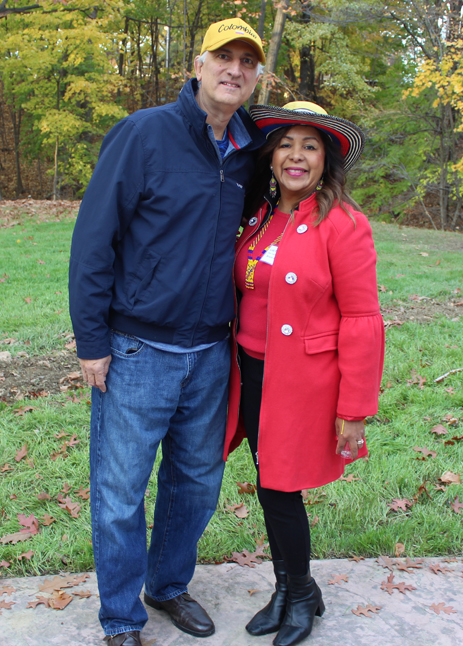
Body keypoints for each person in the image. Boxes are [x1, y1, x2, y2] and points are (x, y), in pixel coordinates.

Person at [68, 19, 266, 646]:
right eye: (222, 57)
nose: (234, 69)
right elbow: (94, 242)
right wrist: (92, 344)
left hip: (210, 349)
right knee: (120, 491)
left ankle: (168, 585)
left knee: (196, 482)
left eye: (247, 61)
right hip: (137, 348)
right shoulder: (143, 134)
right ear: (198, 63)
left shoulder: (247, 151)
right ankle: (123, 618)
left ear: (257, 75)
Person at [224, 102, 385, 646]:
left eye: (310, 146)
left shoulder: (343, 224)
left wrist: (354, 410)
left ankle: (300, 593)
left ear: (326, 161)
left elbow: (363, 320)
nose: (296, 155)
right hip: (249, 375)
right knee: (270, 488)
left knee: (281, 488)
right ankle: (290, 587)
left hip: (302, 383)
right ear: (271, 155)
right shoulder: (259, 214)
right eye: (287, 144)